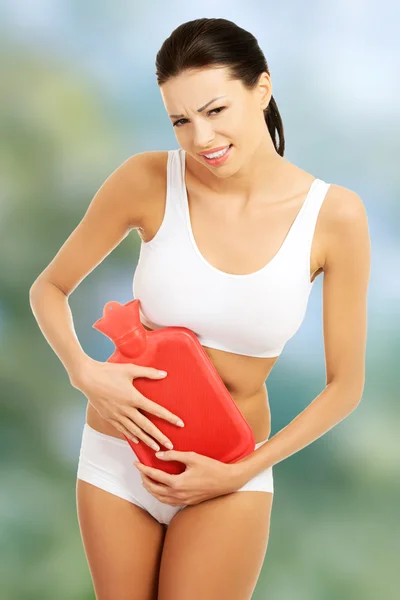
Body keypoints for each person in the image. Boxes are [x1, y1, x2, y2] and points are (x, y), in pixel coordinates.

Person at [29, 17, 370, 600]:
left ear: (261, 89)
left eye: (215, 111)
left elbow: (345, 387)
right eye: (181, 121)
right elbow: (49, 288)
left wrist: (244, 469)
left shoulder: (334, 216)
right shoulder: (146, 180)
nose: (201, 139)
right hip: (121, 454)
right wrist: (84, 373)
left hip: (229, 469)